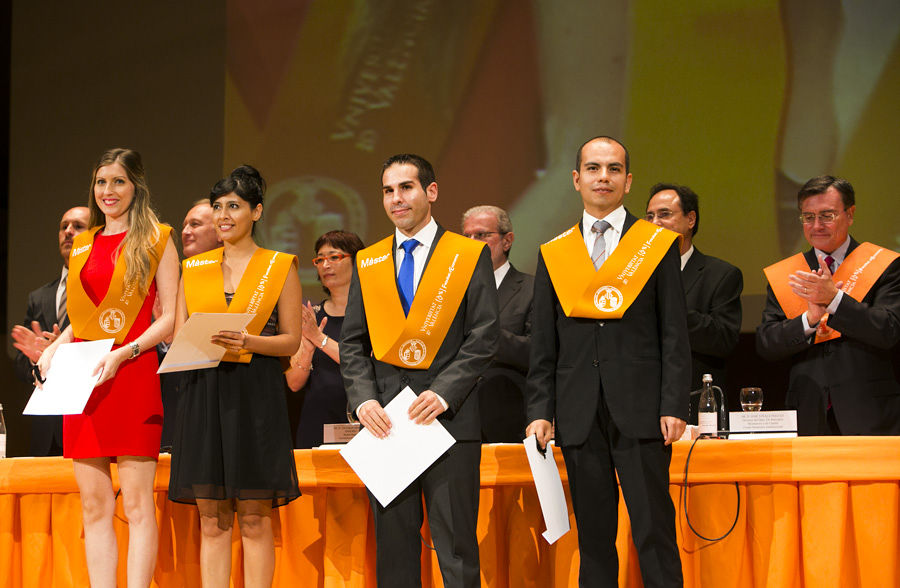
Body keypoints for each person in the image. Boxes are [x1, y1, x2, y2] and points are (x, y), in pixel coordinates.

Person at [525, 136, 690, 587]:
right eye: (594, 169)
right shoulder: (554, 253)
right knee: (595, 538)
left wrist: (673, 403)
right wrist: (540, 411)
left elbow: (674, 333)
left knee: (654, 531)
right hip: (578, 414)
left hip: (641, 412)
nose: (604, 177)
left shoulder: (656, 245)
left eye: (614, 169)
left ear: (628, 181)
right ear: (577, 179)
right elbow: (544, 345)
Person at [341, 154, 498, 587]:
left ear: (430, 192)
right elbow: (353, 343)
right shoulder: (369, 261)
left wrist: (446, 391)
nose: (397, 199)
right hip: (387, 424)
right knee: (394, 550)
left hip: (448, 420)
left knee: (456, 547)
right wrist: (364, 398)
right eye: (389, 190)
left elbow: (484, 334)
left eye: (406, 187)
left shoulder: (467, 254)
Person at [35, 148, 179, 588]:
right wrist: (53, 348)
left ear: (136, 184)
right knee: (94, 507)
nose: (108, 191)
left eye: (118, 181)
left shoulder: (158, 238)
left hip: (131, 376)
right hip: (84, 381)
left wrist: (126, 353)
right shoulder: (83, 242)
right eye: (101, 182)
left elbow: (172, 317)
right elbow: (80, 319)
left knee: (137, 506)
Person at [168, 165, 302, 587]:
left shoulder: (279, 266)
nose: (224, 215)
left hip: (256, 396)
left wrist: (248, 342)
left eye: (235, 206)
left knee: (255, 518)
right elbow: (177, 337)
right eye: (218, 207)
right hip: (203, 393)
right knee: (212, 519)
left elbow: (291, 341)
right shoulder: (195, 269)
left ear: (257, 212)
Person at [756, 175, 900, 435]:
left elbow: (888, 329)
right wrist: (808, 320)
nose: (817, 226)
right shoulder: (789, 273)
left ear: (850, 214)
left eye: (827, 215)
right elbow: (767, 344)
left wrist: (834, 300)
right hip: (809, 414)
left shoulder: (885, 266)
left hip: (870, 414)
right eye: (808, 217)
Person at [645, 183, 743, 418]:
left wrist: (671, 307)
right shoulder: (633, 274)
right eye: (650, 216)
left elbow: (723, 339)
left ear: (691, 219)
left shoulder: (720, 274)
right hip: (640, 403)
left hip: (695, 404)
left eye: (664, 214)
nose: (655, 223)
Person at [12, 205, 90, 456]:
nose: (68, 231)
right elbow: (20, 364)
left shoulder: (105, 291)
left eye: (78, 226)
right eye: (63, 226)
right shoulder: (39, 296)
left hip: (87, 420)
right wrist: (37, 357)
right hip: (46, 428)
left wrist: (63, 352)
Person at [285, 230, 364, 448]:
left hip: (366, 420)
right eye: (320, 259)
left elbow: (366, 364)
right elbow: (293, 383)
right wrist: (308, 350)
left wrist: (319, 338)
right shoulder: (313, 317)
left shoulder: (372, 315)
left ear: (357, 261)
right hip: (317, 422)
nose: (325, 265)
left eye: (334, 257)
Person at [461, 205, 533, 442]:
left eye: (481, 235)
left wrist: (487, 334)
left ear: (507, 240)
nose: (473, 242)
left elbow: (539, 351)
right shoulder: (447, 292)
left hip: (511, 417)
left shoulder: (532, 288)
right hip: (457, 419)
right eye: (467, 236)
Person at [158, 199, 223, 451]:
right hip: (176, 404)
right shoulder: (169, 275)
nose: (185, 231)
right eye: (184, 224)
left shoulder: (239, 278)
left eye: (195, 224)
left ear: (221, 232)